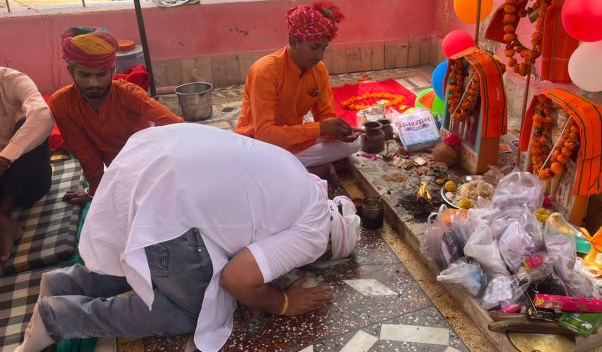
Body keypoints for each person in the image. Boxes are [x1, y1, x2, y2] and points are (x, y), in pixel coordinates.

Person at [14, 124, 361, 352]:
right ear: (329, 245)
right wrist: (283, 304)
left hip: (142, 163)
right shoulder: (314, 232)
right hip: (167, 200)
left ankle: (65, 283)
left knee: (153, 259)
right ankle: (60, 317)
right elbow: (236, 279)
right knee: (196, 313)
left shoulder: (302, 182)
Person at [49, 27, 183, 203]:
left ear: (112, 71)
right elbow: (85, 153)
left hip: (153, 166)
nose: (93, 83)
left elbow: (175, 124)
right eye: (84, 75)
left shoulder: (129, 93)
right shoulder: (61, 103)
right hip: (119, 173)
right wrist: (95, 192)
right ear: (71, 72)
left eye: (101, 74)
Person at [235, 2, 363, 180]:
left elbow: (326, 118)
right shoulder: (265, 71)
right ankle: (298, 170)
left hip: (292, 142)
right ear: (294, 42)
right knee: (259, 160)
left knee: (355, 143)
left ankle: (294, 170)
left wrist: (337, 131)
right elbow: (265, 135)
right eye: (314, 47)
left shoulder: (319, 70)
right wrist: (320, 129)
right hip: (258, 146)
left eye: (323, 48)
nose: (320, 56)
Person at [0, 67, 54, 263]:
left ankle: (5, 211)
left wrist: (4, 158)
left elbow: (43, 116)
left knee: (29, 125)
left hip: (27, 182)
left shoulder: (12, 80)